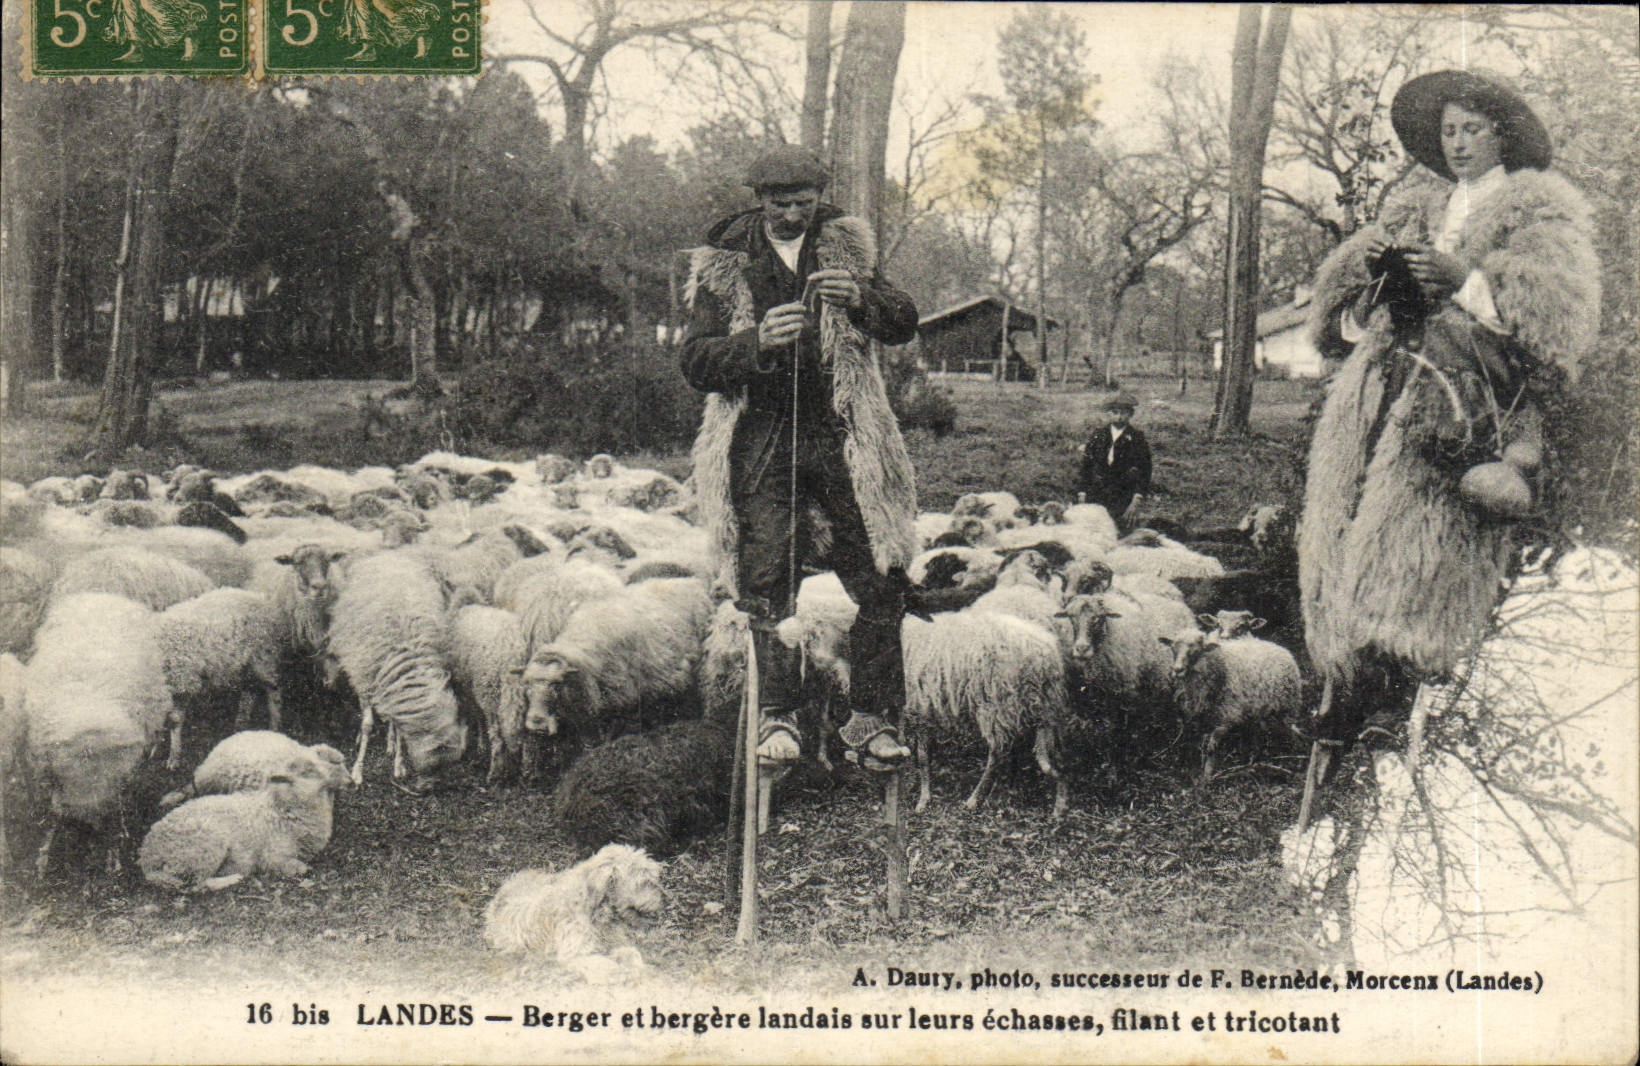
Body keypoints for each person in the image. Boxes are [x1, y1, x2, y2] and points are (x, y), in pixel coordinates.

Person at [1297, 69, 1600, 794]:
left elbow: (1554, 325)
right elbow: (1337, 319)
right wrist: (1374, 280)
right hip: (1382, 388)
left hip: (1461, 401)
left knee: (1422, 541)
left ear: (1502, 134)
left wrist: (1463, 275)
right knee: (1342, 521)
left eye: (1472, 130)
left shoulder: (1537, 214)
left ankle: (1402, 699)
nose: (1458, 144)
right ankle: (1341, 683)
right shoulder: (1415, 206)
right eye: (1449, 132)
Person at [680, 146, 920, 770]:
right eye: (780, 202)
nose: (793, 213)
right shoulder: (723, 266)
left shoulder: (847, 248)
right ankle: (778, 714)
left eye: (804, 201)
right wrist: (751, 342)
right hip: (761, 442)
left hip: (844, 440)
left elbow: (904, 321)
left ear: (820, 196)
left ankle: (869, 717)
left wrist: (862, 298)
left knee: (879, 575)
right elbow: (695, 361)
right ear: (760, 200)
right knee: (766, 585)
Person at [1077, 392, 1151, 529]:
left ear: (1131, 415)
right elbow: (1086, 465)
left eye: (1124, 413)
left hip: (1123, 494)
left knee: (1121, 530)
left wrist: (1136, 500)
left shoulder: (1137, 438)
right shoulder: (1098, 435)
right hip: (1097, 492)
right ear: (1108, 414)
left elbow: (1145, 470)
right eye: (1115, 412)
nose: (1119, 417)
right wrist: (1082, 492)